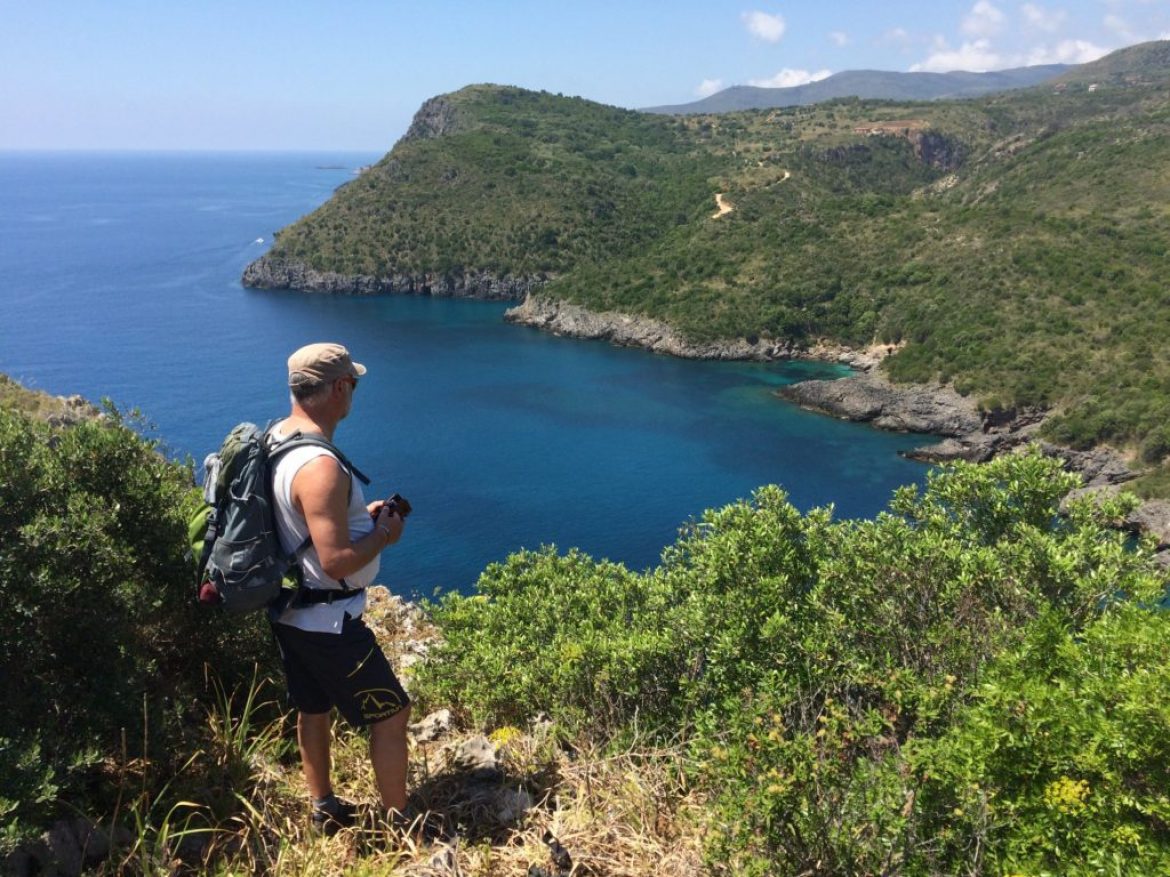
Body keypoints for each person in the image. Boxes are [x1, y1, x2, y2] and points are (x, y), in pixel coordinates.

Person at [267, 341, 411, 834]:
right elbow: (335, 562)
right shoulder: (321, 465)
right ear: (339, 388)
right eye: (353, 384)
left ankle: (323, 807)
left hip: (289, 610)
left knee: (313, 707)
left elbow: (303, 526)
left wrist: (358, 521)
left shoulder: (276, 440)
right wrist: (384, 534)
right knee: (392, 714)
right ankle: (401, 824)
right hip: (328, 621)